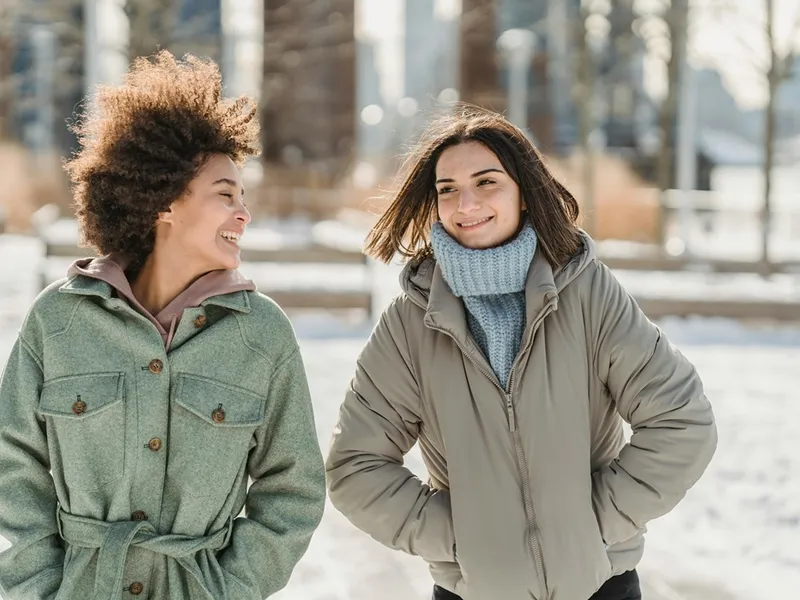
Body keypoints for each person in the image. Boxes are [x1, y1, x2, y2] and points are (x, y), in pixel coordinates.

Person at [325, 106, 717, 600]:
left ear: (524, 192)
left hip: (601, 586)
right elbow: (355, 466)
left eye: (486, 182)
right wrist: (461, 539)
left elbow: (682, 421)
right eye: (447, 189)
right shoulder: (410, 323)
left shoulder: (586, 292)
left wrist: (596, 523)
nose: (465, 203)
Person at [0, 51, 325, 600]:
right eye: (226, 194)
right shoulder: (58, 322)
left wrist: (229, 589)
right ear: (163, 201)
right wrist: (40, 589)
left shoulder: (261, 334)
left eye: (243, 197)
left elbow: (293, 489)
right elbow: (15, 467)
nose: (243, 212)